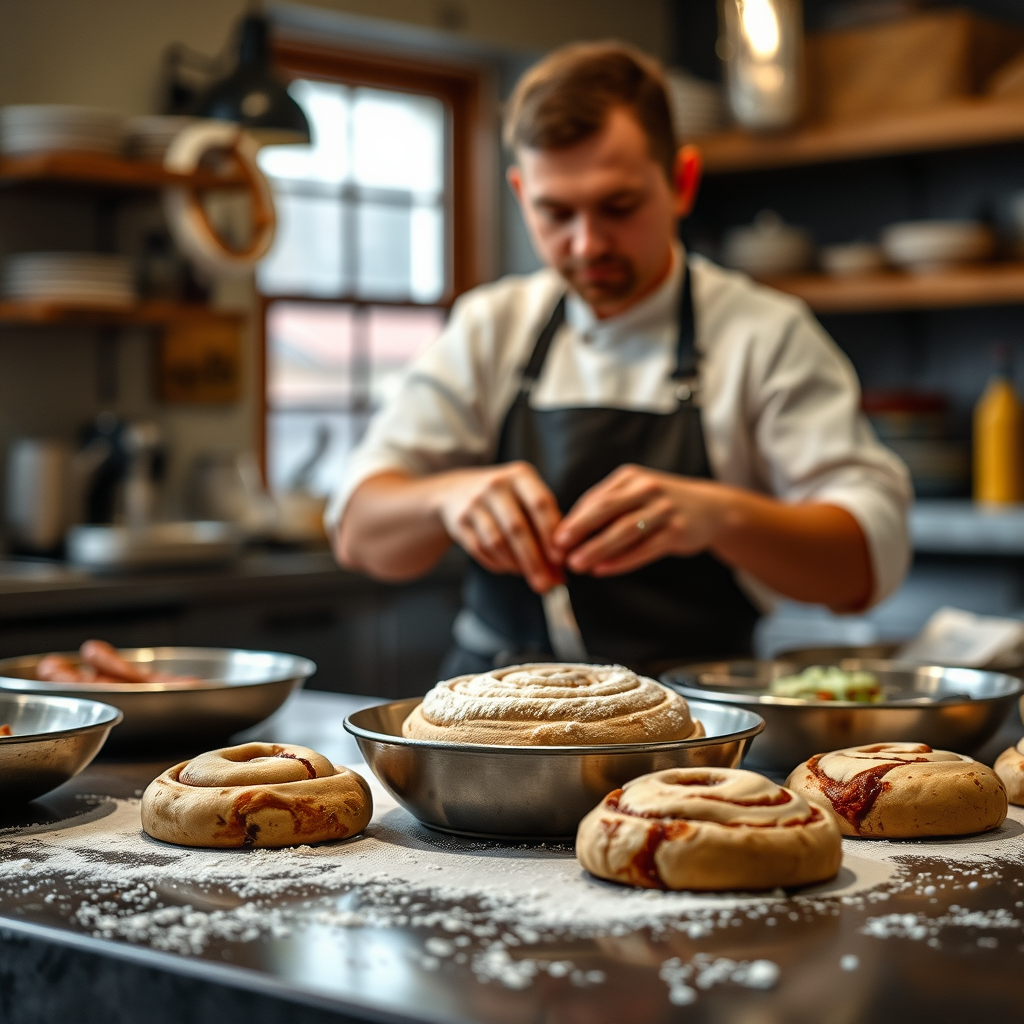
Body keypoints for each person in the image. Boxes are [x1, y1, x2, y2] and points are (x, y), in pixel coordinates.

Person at [327, 41, 911, 677]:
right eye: (555, 212)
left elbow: (865, 565)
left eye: (618, 206)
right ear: (522, 195)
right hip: (489, 714)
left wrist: (722, 515)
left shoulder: (764, 335)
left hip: (693, 724)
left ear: (681, 183)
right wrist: (446, 497)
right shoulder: (492, 326)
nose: (587, 243)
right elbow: (360, 533)